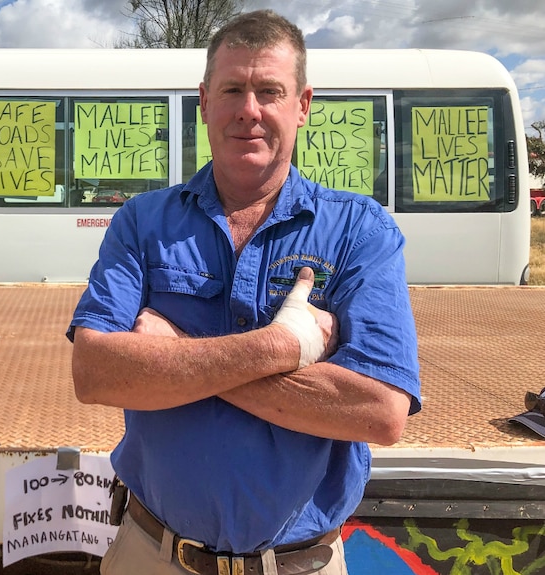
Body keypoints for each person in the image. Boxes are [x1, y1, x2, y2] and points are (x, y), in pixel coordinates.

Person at [67, 9, 421, 575]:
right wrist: (284, 346)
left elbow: (379, 413)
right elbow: (95, 374)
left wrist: (174, 352)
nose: (248, 110)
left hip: (301, 563)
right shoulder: (141, 222)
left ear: (302, 105)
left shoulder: (360, 230)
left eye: (269, 91)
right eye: (232, 88)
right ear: (204, 100)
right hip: (150, 554)